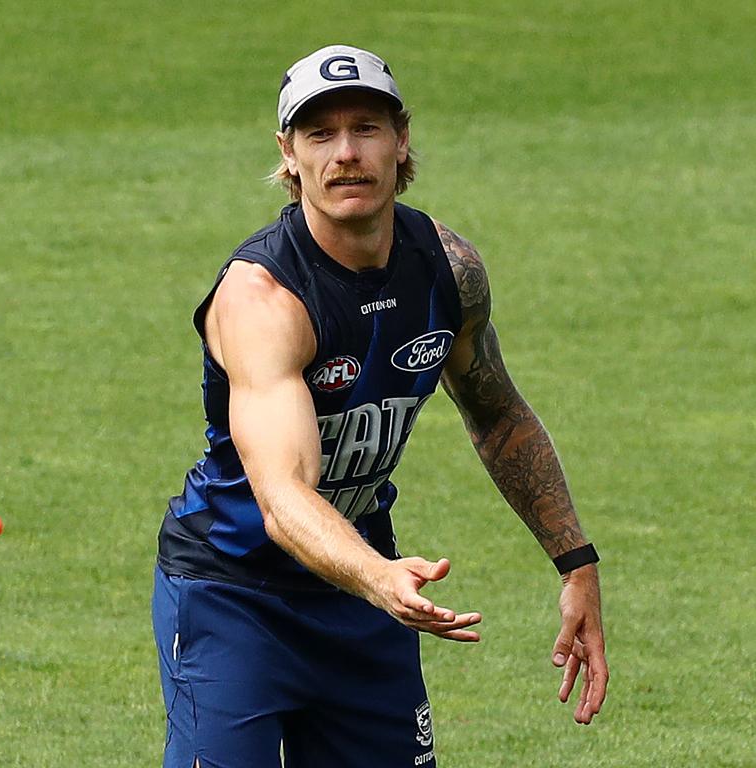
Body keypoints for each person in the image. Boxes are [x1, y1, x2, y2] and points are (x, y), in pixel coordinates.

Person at [152, 44, 608, 768]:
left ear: (401, 142)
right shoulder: (261, 298)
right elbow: (281, 496)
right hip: (233, 595)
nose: (345, 154)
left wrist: (575, 563)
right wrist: (378, 577)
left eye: (365, 127)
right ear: (288, 154)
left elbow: (496, 415)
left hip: (362, 595)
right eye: (319, 135)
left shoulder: (447, 268)